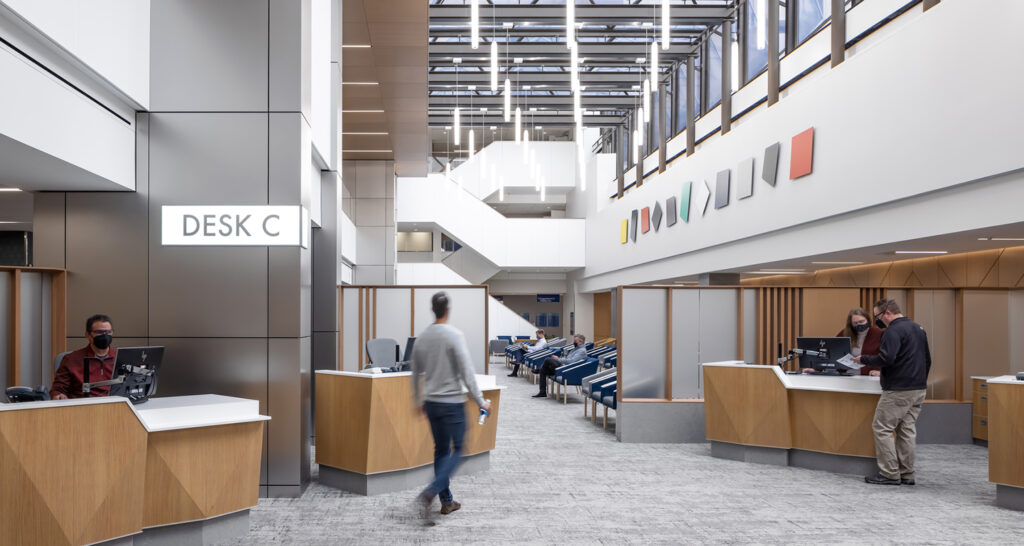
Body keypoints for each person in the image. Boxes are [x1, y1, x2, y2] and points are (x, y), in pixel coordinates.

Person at [411, 292, 491, 522]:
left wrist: (418, 401)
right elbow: (466, 372)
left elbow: (415, 372)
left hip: (431, 403)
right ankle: (431, 491)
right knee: (460, 449)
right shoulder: (454, 335)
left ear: (433, 309)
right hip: (452, 403)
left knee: (440, 450)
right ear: (447, 310)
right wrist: (481, 401)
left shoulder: (422, 337)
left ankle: (447, 502)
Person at [854, 299, 931, 486]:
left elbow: (887, 358)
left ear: (887, 313)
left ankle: (889, 473)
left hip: (898, 389)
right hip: (918, 388)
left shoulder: (892, 331)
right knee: (906, 431)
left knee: (882, 428)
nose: (878, 320)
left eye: (878, 316)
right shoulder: (918, 328)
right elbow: (927, 359)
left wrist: (863, 359)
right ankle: (907, 473)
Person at [51, 314, 118, 400]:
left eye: (108, 332)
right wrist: (58, 395)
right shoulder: (71, 359)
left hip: (116, 406)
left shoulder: (120, 358)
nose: (105, 336)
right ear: (88, 335)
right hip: (83, 407)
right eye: (99, 332)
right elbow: (58, 388)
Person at [534, 334, 587, 398]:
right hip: (563, 367)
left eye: (575, 341)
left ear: (581, 342)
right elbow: (567, 359)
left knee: (548, 359)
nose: (574, 342)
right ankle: (542, 392)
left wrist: (558, 359)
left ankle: (538, 369)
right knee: (543, 371)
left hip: (566, 370)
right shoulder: (576, 349)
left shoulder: (582, 351)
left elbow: (571, 361)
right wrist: (559, 359)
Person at [837, 308, 884, 377]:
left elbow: (886, 357)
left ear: (868, 320)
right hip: (847, 374)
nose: (859, 324)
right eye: (855, 323)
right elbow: (833, 350)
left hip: (869, 375)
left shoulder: (879, 334)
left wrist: (881, 372)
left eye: (861, 321)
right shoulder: (844, 333)